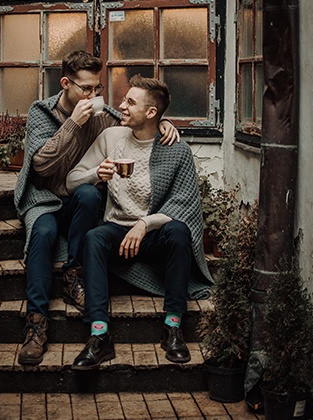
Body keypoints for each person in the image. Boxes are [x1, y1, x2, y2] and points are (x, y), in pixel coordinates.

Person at [13, 51, 179, 366]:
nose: (93, 95)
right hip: (45, 198)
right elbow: (41, 165)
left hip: (80, 199)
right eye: (86, 89)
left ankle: (74, 276)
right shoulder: (42, 112)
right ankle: (36, 324)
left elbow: (136, 120)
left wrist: (163, 121)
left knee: (89, 194)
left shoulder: (101, 114)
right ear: (66, 83)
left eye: (97, 88)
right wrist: (73, 124)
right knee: (43, 234)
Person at [66, 75, 213, 370]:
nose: (122, 105)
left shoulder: (175, 149)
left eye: (130, 102)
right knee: (94, 238)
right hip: (116, 230)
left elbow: (184, 204)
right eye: (124, 100)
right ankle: (99, 335)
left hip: (152, 235)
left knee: (179, 231)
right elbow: (72, 181)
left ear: (151, 112)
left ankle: (173, 327)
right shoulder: (112, 138)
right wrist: (96, 174)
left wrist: (145, 224)